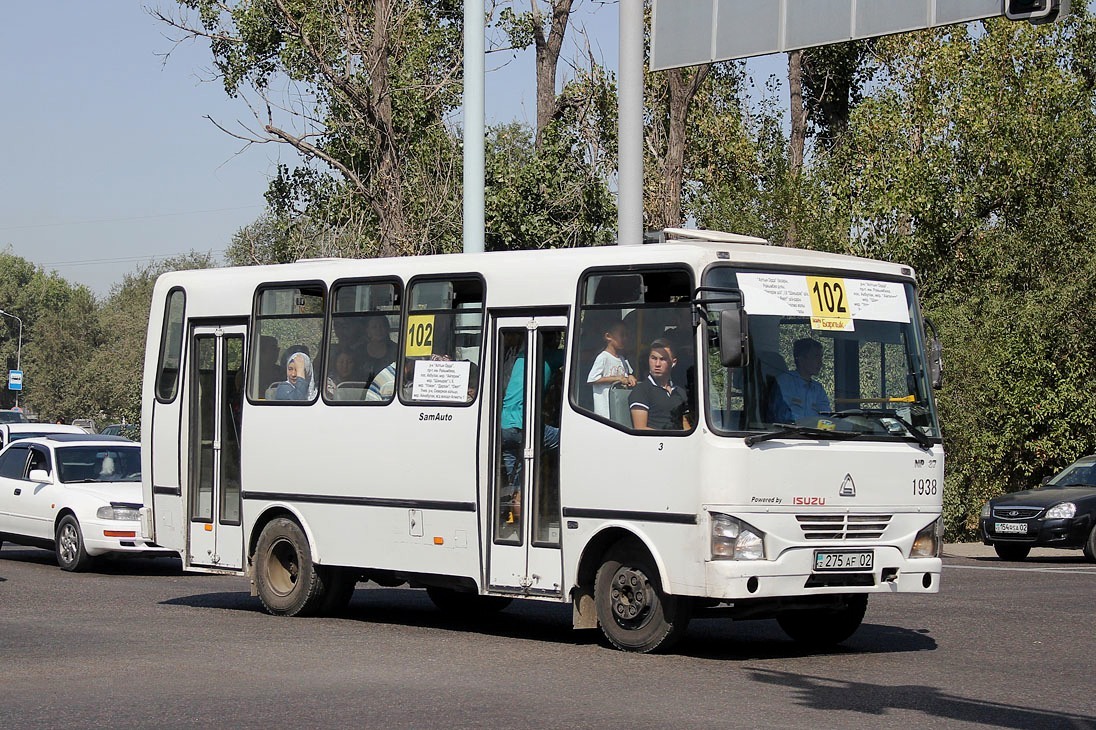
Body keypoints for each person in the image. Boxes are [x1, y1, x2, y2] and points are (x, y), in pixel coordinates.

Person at [629, 339, 690, 430]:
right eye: (653, 358)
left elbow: (686, 426)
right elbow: (640, 429)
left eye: (663, 359)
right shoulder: (641, 391)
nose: (657, 364)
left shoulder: (680, 392)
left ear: (673, 362)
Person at [770, 337, 830, 422]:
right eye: (815, 357)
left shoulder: (818, 389)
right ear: (801, 359)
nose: (820, 362)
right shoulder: (784, 382)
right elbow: (781, 416)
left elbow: (826, 416)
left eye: (821, 357)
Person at [586, 319, 636, 418]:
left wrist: (630, 377)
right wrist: (617, 379)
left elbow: (626, 375)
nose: (625, 338)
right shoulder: (603, 357)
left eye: (627, 335)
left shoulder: (622, 359)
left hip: (618, 409)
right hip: (604, 412)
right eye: (622, 335)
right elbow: (592, 379)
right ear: (608, 336)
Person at [360, 315, 399, 383]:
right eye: (374, 327)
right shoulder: (359, 351)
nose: (379, 330)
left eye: (382, 326)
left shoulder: (397, 351)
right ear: (368, 331)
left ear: (387, 329)